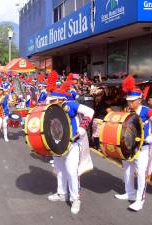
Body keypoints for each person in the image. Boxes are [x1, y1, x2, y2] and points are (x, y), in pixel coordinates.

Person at [46, 71, 94, 215]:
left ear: (61, 100)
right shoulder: (51, 108)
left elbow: (90, 112)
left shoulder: (72, 105)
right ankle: (61, 193)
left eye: (53, 100)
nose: (50, 102)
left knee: (72, 172)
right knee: (60, 170)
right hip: (57, 143)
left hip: (72, 143)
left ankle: (75, 199)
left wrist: (81, 128)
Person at [115, 75, 152, 211]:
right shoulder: (128, 111)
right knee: (127, 170)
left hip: (143, 148)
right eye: (128, 101)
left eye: (132, 101)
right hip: (129, 147)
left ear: (139, 100)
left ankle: (140, 200)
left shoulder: (146, 111)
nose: (129, 103)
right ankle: (129, 192)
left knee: (141, 173)